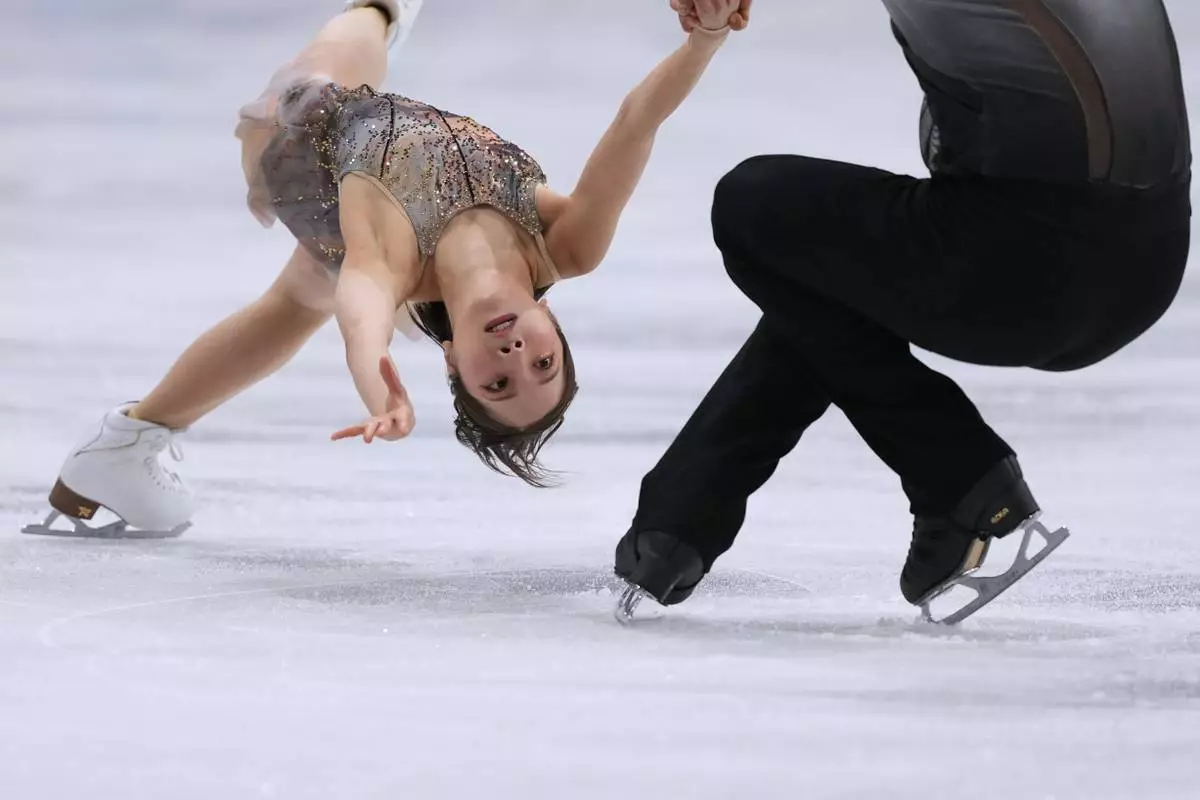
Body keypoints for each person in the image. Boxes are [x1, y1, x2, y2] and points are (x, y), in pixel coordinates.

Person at [23, 0, 754, 538]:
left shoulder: (396, 261)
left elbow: (364, 313)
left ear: (452, 364)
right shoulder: (566, 243)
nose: (515, 356)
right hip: (370, 162)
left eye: (497, 382)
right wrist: (708, 39)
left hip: (301, 140)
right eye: (543, 362)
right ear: (551, 325)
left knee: (365, 28)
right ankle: (127, 443)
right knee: (291, 303)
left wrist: (381, 394)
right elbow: (636, 124)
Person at [614, 0, 1191, 623]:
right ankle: (676, 528)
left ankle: (959, 471)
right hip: (1151, 265)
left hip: (1025, 273)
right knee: (830, 281)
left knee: (755, 208)